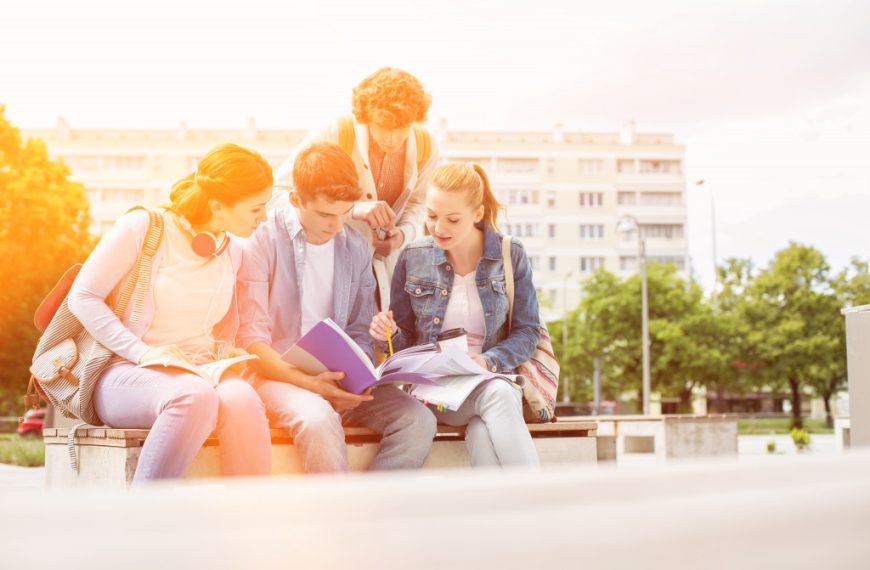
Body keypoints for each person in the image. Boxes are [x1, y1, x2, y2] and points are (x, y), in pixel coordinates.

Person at [67, 143, 274, 483]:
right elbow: (84, 297)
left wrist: (225, 351)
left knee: (243, 401)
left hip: (198, 369)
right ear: (217, 205)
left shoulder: (232, 251)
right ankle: (147, 522)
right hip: (125, 371)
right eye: (256, 208)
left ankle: (247, 524)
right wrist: (144, 353)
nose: (263, 217)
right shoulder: (143, 228)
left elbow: (206, 326)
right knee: (193, 398)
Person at [237, 142, 436, 473]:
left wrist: (354, 377)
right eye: (325, 214)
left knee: (418, 421)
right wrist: (313, 384)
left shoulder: (355, 247)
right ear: (296, 200)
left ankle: (367, 514)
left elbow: (358, 329)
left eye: (344, 213)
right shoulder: (263, 241)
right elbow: (250, 339)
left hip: (338, 382)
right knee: (318, 420)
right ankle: (340, 521)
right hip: (277, 378)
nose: (336, 225)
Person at [370, 162, 541, 468]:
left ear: (477, 213)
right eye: (432, 216)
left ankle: (493, 514)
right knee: (499, 396)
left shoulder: (510, 254)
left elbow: (528, 332)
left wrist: (488, 361)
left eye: (452, 219)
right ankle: (538, 503)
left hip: (489, 378)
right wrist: (389, 335)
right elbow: (406, 341)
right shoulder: (413, 257)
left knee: (481, 429)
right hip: (433, 392)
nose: (439, 228)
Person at [272, 67, 440, 309]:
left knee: (378, 340)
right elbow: (277, 193)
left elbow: (419, 204)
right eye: (383, 126)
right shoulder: (336, 132)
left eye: (402, 127)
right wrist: (351, 209)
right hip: (325, 268)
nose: (392, 138)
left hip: (385, 274)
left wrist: (403, 234)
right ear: (366, 116)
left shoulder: (426, 144)